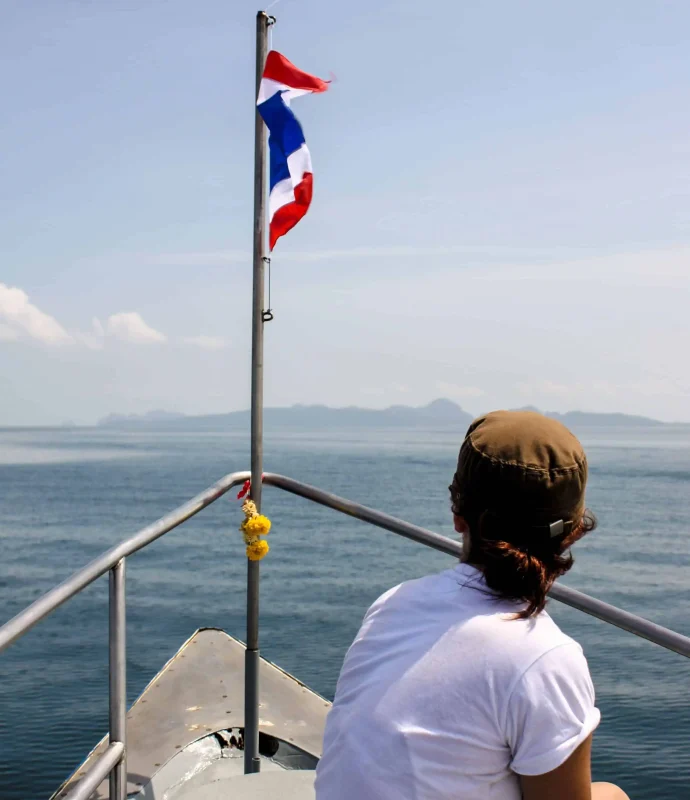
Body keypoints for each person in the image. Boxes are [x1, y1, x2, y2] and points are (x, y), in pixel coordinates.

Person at [315, 410, 629, 800]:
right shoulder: (545, 657)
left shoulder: (393, 603)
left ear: (457, 513)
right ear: (572, 534)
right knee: (612, 794)